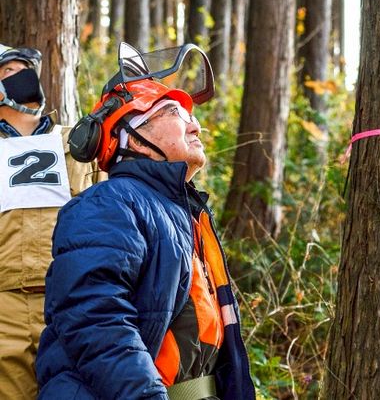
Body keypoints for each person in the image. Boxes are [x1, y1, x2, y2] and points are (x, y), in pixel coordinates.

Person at [35, 43, 255, 399]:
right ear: (135, 139)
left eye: (191, 114)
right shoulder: (107, 204)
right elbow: (96, 320)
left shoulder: (184, 212)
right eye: (175, 112)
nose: (195, 125)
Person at [0, 43, 99, 399]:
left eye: (25, 69)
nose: (21, 77)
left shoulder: (80, 142)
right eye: (8, 72)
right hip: (5, 307)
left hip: (72, 300)